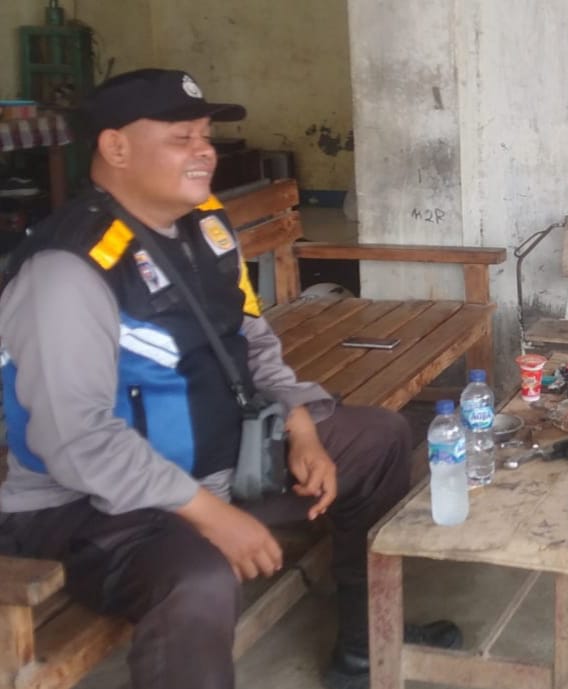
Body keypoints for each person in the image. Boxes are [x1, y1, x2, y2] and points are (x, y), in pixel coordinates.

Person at [0, 69, 458, 689]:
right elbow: (75, 439)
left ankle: (366, 647)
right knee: (199, 581)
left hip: (212, 461)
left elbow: (249, 340)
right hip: (90, 508)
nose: (204, 151)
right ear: (115, 147)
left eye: (206, 136)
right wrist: (210, 515)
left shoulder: (203, 230)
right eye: (181, 137)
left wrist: (299, 421)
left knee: (376, 439)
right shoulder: (68, 270)